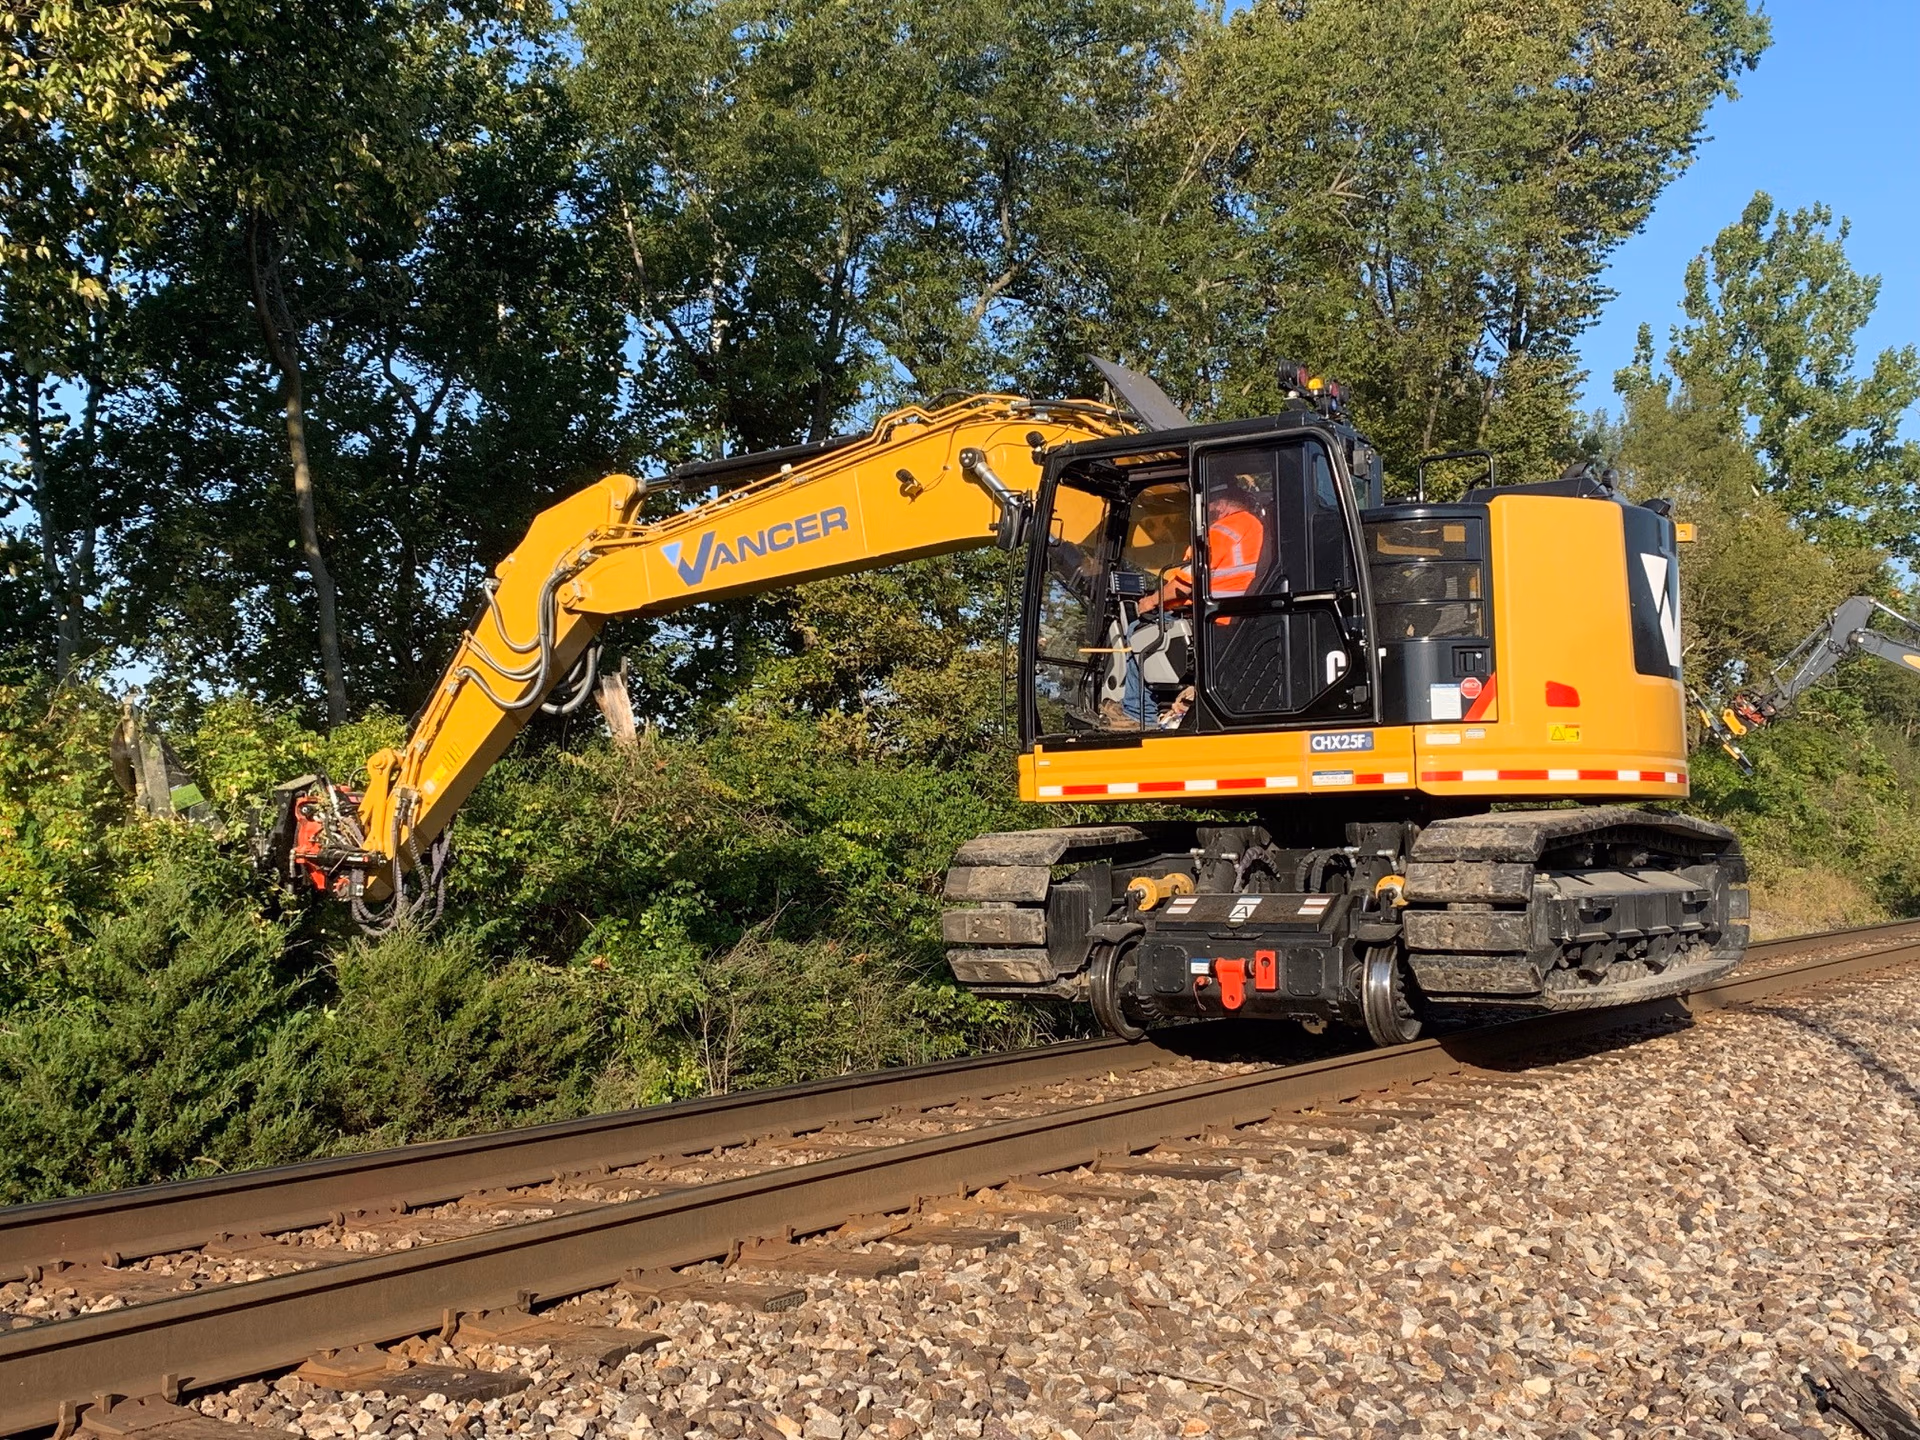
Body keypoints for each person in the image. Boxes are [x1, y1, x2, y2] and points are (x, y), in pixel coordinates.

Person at [1105, 479, 1267, 728]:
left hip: (1213, 620)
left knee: (1137, 632)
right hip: (1230, 616)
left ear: (1221, 503)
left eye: (1210, 503)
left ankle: (1137, 714)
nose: (1207, 509)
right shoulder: (1254, 527)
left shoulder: (1223, 530)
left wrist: (1148, 602)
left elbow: (1184, 584)